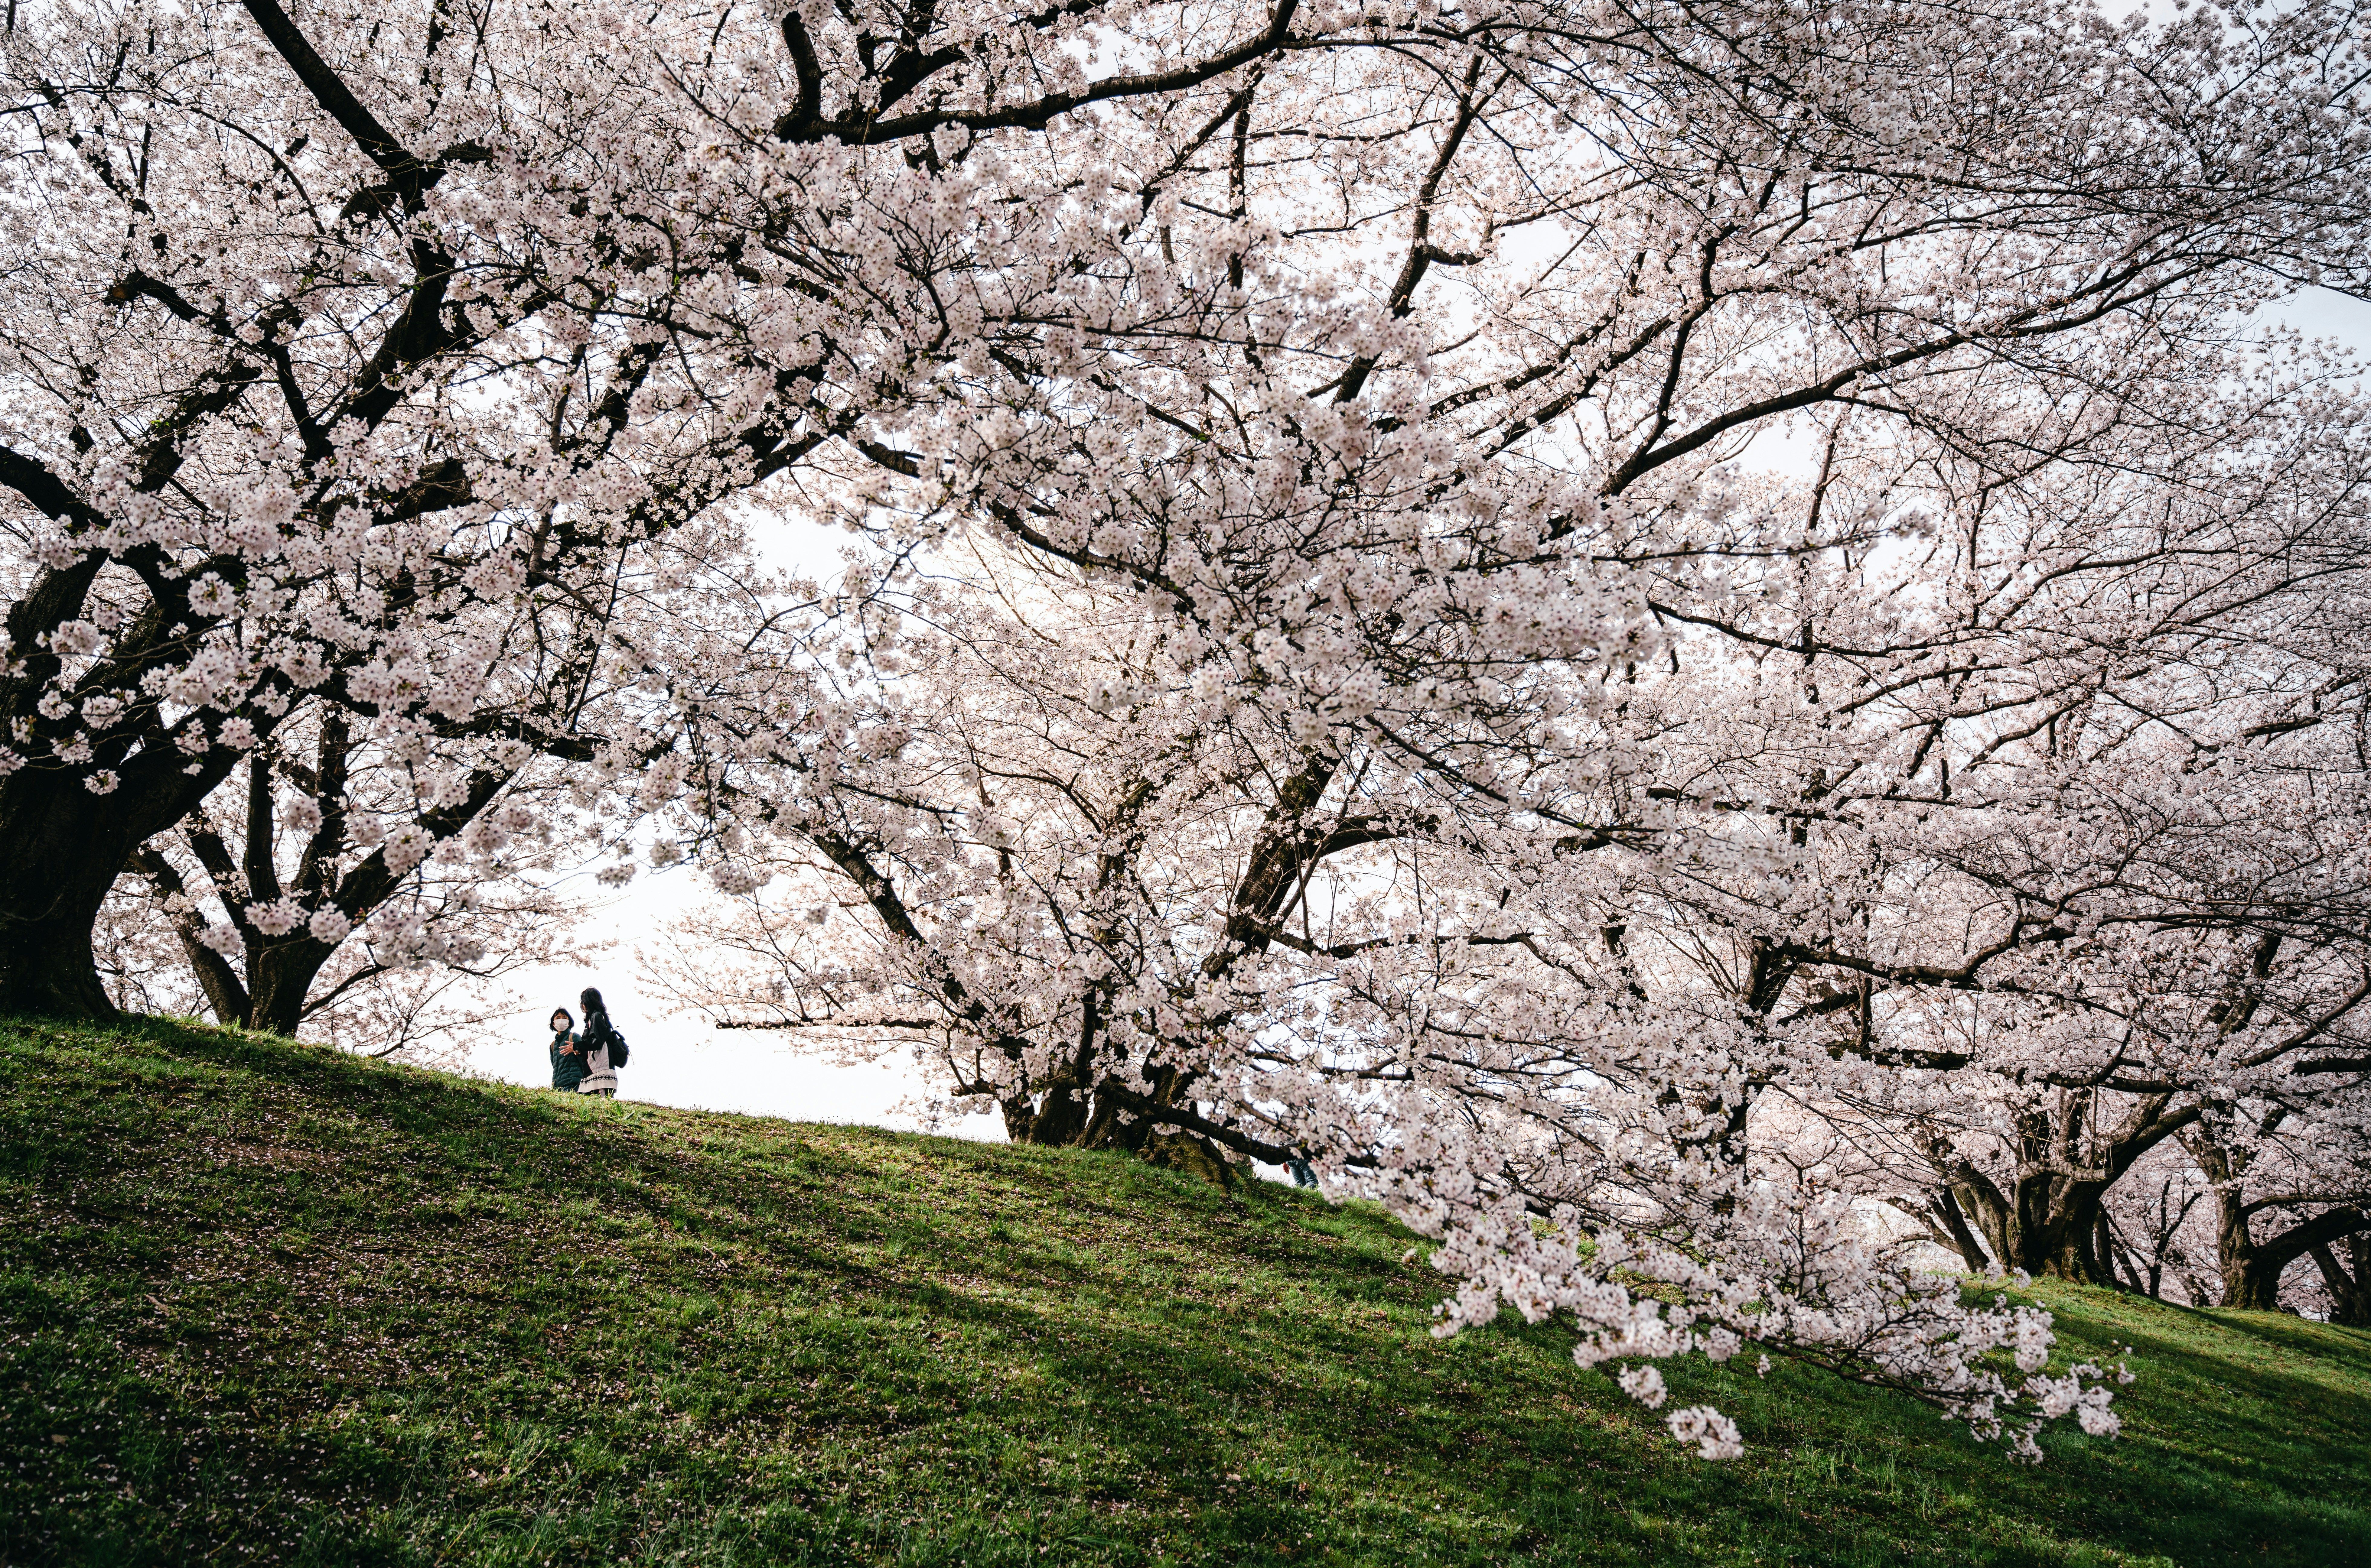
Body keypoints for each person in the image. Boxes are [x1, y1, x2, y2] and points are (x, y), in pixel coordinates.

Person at [575, 986, 621, 1099]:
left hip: (600, 1070)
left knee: (603, 1105)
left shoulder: (597, 1016)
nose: (582, 1005)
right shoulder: (595, 1018)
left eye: (583, 1002)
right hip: (594, 1070)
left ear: (588, 1002)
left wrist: (576, 1045)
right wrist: (581, 1051)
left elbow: (597, 1042)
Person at [547, 1008, 587, 1092]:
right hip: (558, 1087)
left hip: (573, 1083)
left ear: (569, 1023)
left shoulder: (574, 1037)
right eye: (558, 1018)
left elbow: (584, 1059)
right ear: (554, 1024)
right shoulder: (553, 1045)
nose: (562, 1020)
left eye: (565, 1018)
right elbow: (555, 1066)